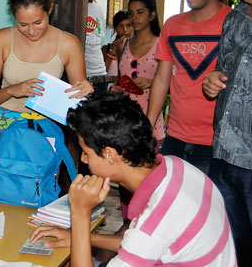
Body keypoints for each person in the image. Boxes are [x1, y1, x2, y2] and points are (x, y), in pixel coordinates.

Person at [30, 92, 236, 266]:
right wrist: (78, 238)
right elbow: (141, 241)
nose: (83, 159)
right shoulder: (176, 166)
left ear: (109, 154)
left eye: (86, 152)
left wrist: (80, 213)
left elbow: (148, 235)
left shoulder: (157, 218)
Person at [0, 0, 93, 187]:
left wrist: (86, 91)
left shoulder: (68, 44)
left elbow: (79, 102)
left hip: (43, 129)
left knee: (39, 194)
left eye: (38, 22)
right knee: (1, 193)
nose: (31, 31)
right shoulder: (2, 39)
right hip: (0, 127)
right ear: (13, 16)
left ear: (50, 8)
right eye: (23, 24)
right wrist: (13, 90)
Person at [147, 0, 230, 175]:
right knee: (171, 206)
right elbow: (162, 79)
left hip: (217, 145)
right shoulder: (173, 25)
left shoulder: (234, 24)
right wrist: (148, 125)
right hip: (175, 139)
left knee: (211, 209)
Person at [203, 0, 252, 256]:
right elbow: (223, 73)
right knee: (233, 251)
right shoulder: (233, 19)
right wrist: (213, 82)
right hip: (224, 159)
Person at [112, 0, 165, 143]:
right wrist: (116, 89)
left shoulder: (161, 45)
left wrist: (152, 82)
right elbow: (119, 81)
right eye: (131, 13)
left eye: (140, 12)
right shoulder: (123, 45)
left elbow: (172, 83)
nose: (134, 17)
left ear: (152, 15)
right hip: (124, 119)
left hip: (150, 118)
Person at [85, 0, 110, 92]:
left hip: (100, 76)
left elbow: (97, 45)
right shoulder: (73, 9)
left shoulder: (98, 9)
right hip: (82, 79)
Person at [102, 10, 133, 79]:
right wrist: (112, 51)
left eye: (128, 26)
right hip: (110, 88)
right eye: (120, 26)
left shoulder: (138, 49)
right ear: (115, 28)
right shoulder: (106, 49)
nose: (125, 30)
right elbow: (102, 72)